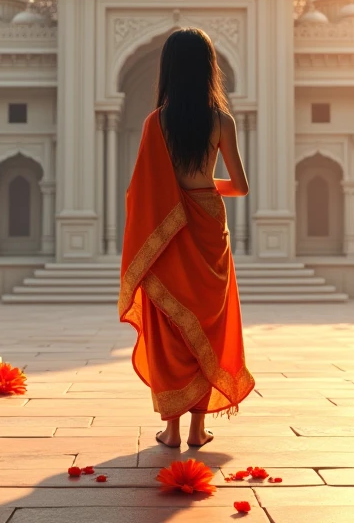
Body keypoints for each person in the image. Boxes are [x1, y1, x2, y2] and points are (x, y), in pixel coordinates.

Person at [118, 27, 254, 449]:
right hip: (209, 226)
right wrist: (204, 186)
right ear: (209, 68)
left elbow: (143, 188)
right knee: (207, 324)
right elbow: (240, 185)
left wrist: (173, 193)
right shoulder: (221, 121)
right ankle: (198, 430)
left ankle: (172, 429)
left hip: (170, 234)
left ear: (169, 71)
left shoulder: (156, 123)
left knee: (170, 327)